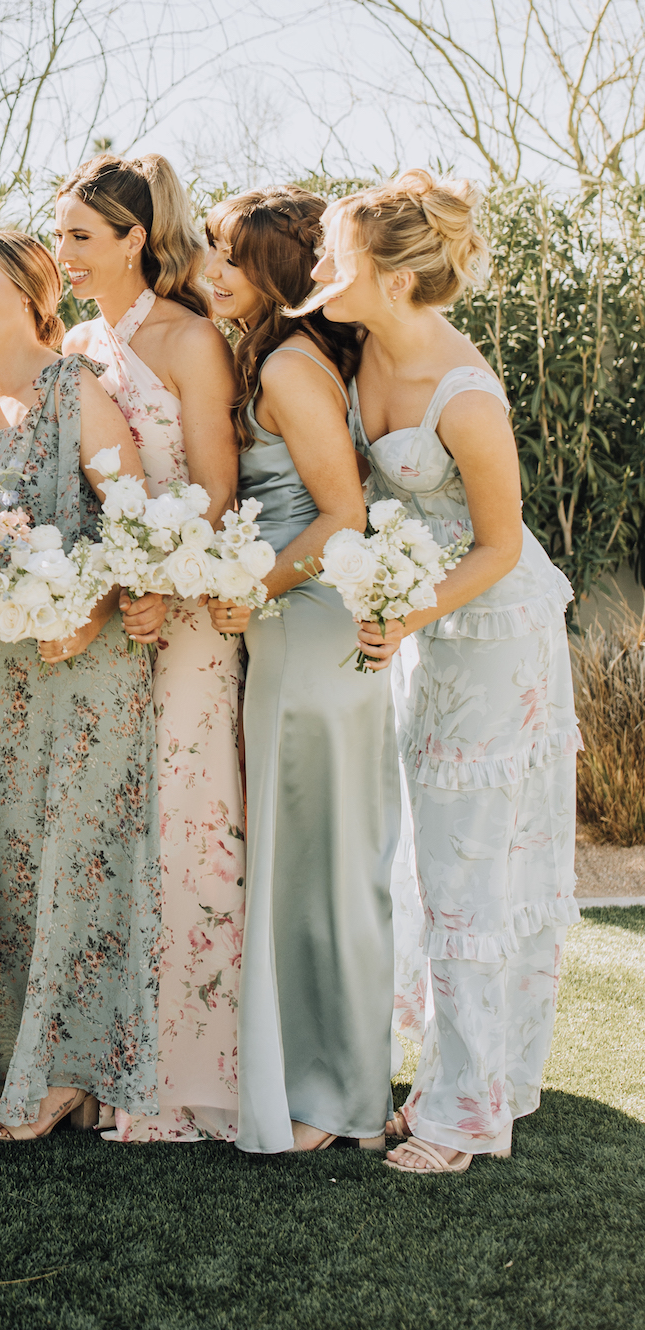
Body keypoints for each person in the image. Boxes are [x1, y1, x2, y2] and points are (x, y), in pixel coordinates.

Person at [312, 169, 578, 1173]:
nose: (321, 270)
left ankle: (466, 1117)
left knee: (470, 867)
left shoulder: (465, 394)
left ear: (389, 276)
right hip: (426, 634)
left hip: (495, 634)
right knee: (434, 862)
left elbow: (502, 545)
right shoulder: (363, 354)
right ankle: (465, 1076)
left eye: (337, 255)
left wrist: (406, 610)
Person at [0, 229, 167, 1141]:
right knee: (10, 860)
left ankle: (69, 1072)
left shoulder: (74, 388)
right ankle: (15, 1054)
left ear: (33, 291)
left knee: (78, 858)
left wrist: (88, 611)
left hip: (87, 659)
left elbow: (135, 519)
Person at [204, 188, 397, 1155]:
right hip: (301, 621)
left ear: (278, 273)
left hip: (307, 624)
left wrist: (255, 590)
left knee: (319, 865)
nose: (214, 275)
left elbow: (341, 516)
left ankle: (338, 1095)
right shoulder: (293, 355)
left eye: (232, 261)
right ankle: (334, 1077)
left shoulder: (286, 362)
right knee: (322, 859)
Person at [58, 153, 246, 1142]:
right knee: (107, 832)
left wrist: (161, 580)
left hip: (182, 623)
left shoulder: (190, 340)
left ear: (136, 239)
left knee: (184, 826)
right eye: (64, 236)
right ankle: (99, 1058)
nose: (67, 253)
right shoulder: (76, 341)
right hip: (102, 623)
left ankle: (183, 1068)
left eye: (83, 237)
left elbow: (215, 486)